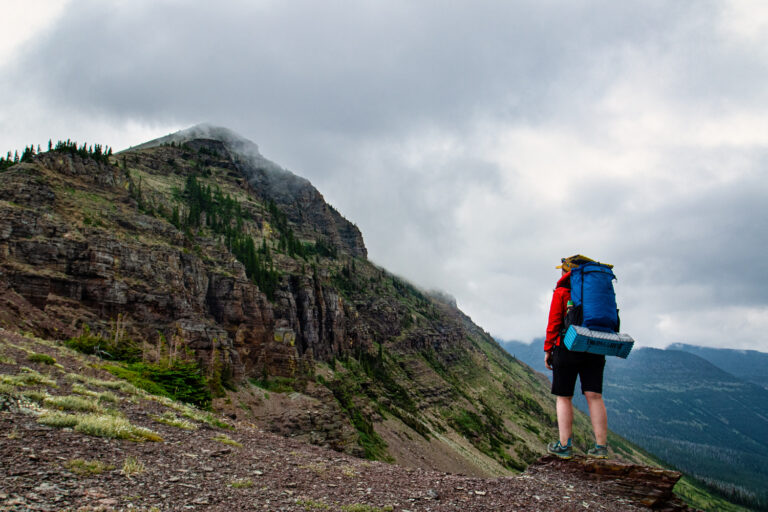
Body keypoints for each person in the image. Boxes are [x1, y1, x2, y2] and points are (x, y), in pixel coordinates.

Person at [544, 255, 608, 459]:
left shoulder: (562, 292)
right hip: (595, 346)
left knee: (564, 397)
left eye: (562, 269)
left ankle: (564, 446)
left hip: (567, 347)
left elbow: (554, 323)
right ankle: (601, 447)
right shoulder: (595, 292)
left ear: (567, 271)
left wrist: (548, 350)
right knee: (595, 396)